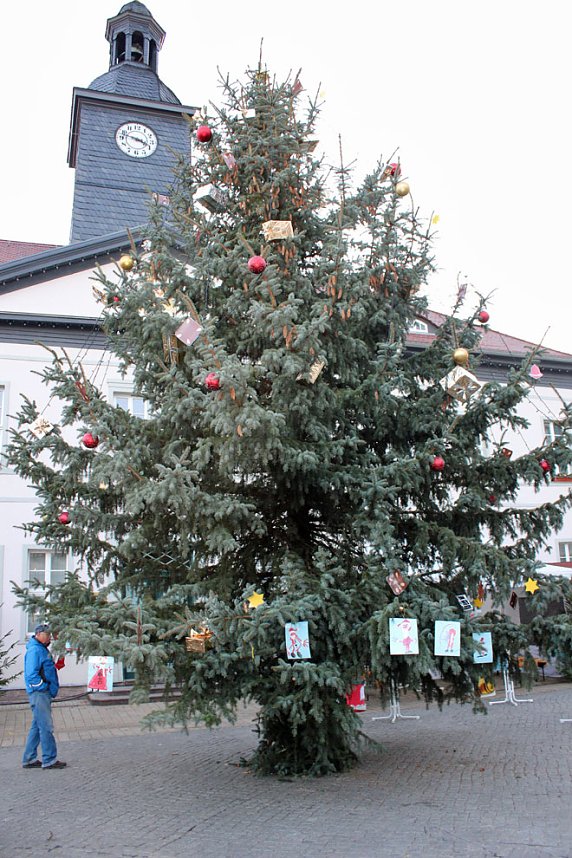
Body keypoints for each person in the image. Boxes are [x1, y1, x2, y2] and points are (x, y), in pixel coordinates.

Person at [22, 624, 67, 769]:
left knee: (37, 726)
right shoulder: (35, 650)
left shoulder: (41, 648)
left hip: (42, 693)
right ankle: (49, 759)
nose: (50, 638)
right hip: (40, 694)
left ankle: (29, 758)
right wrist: (44, 687)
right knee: (46, 726)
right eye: (47, 635)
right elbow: (31, 675)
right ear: (39, 634)